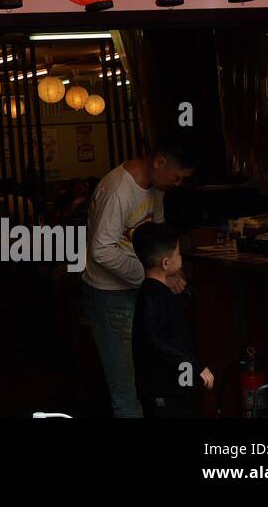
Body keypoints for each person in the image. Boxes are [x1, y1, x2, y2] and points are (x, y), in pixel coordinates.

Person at [81, 139, 193, 417]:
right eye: (177, 177)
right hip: (110, 294)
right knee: (126, 387)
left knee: (147, 376)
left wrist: (172, 271)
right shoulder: (118, 189)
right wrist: (152, 276)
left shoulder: (156, 188)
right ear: (159, 162)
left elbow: (158, 238)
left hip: (139, 289)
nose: (179, 184)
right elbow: (101, 251)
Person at [131, 223, 213, 418]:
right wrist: (195, 364)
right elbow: (155, 340)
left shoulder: (161, 293)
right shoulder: (150, 297)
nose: (181, 257)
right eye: (178, 253)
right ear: (166, 263)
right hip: (161, 393)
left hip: (174, 389)